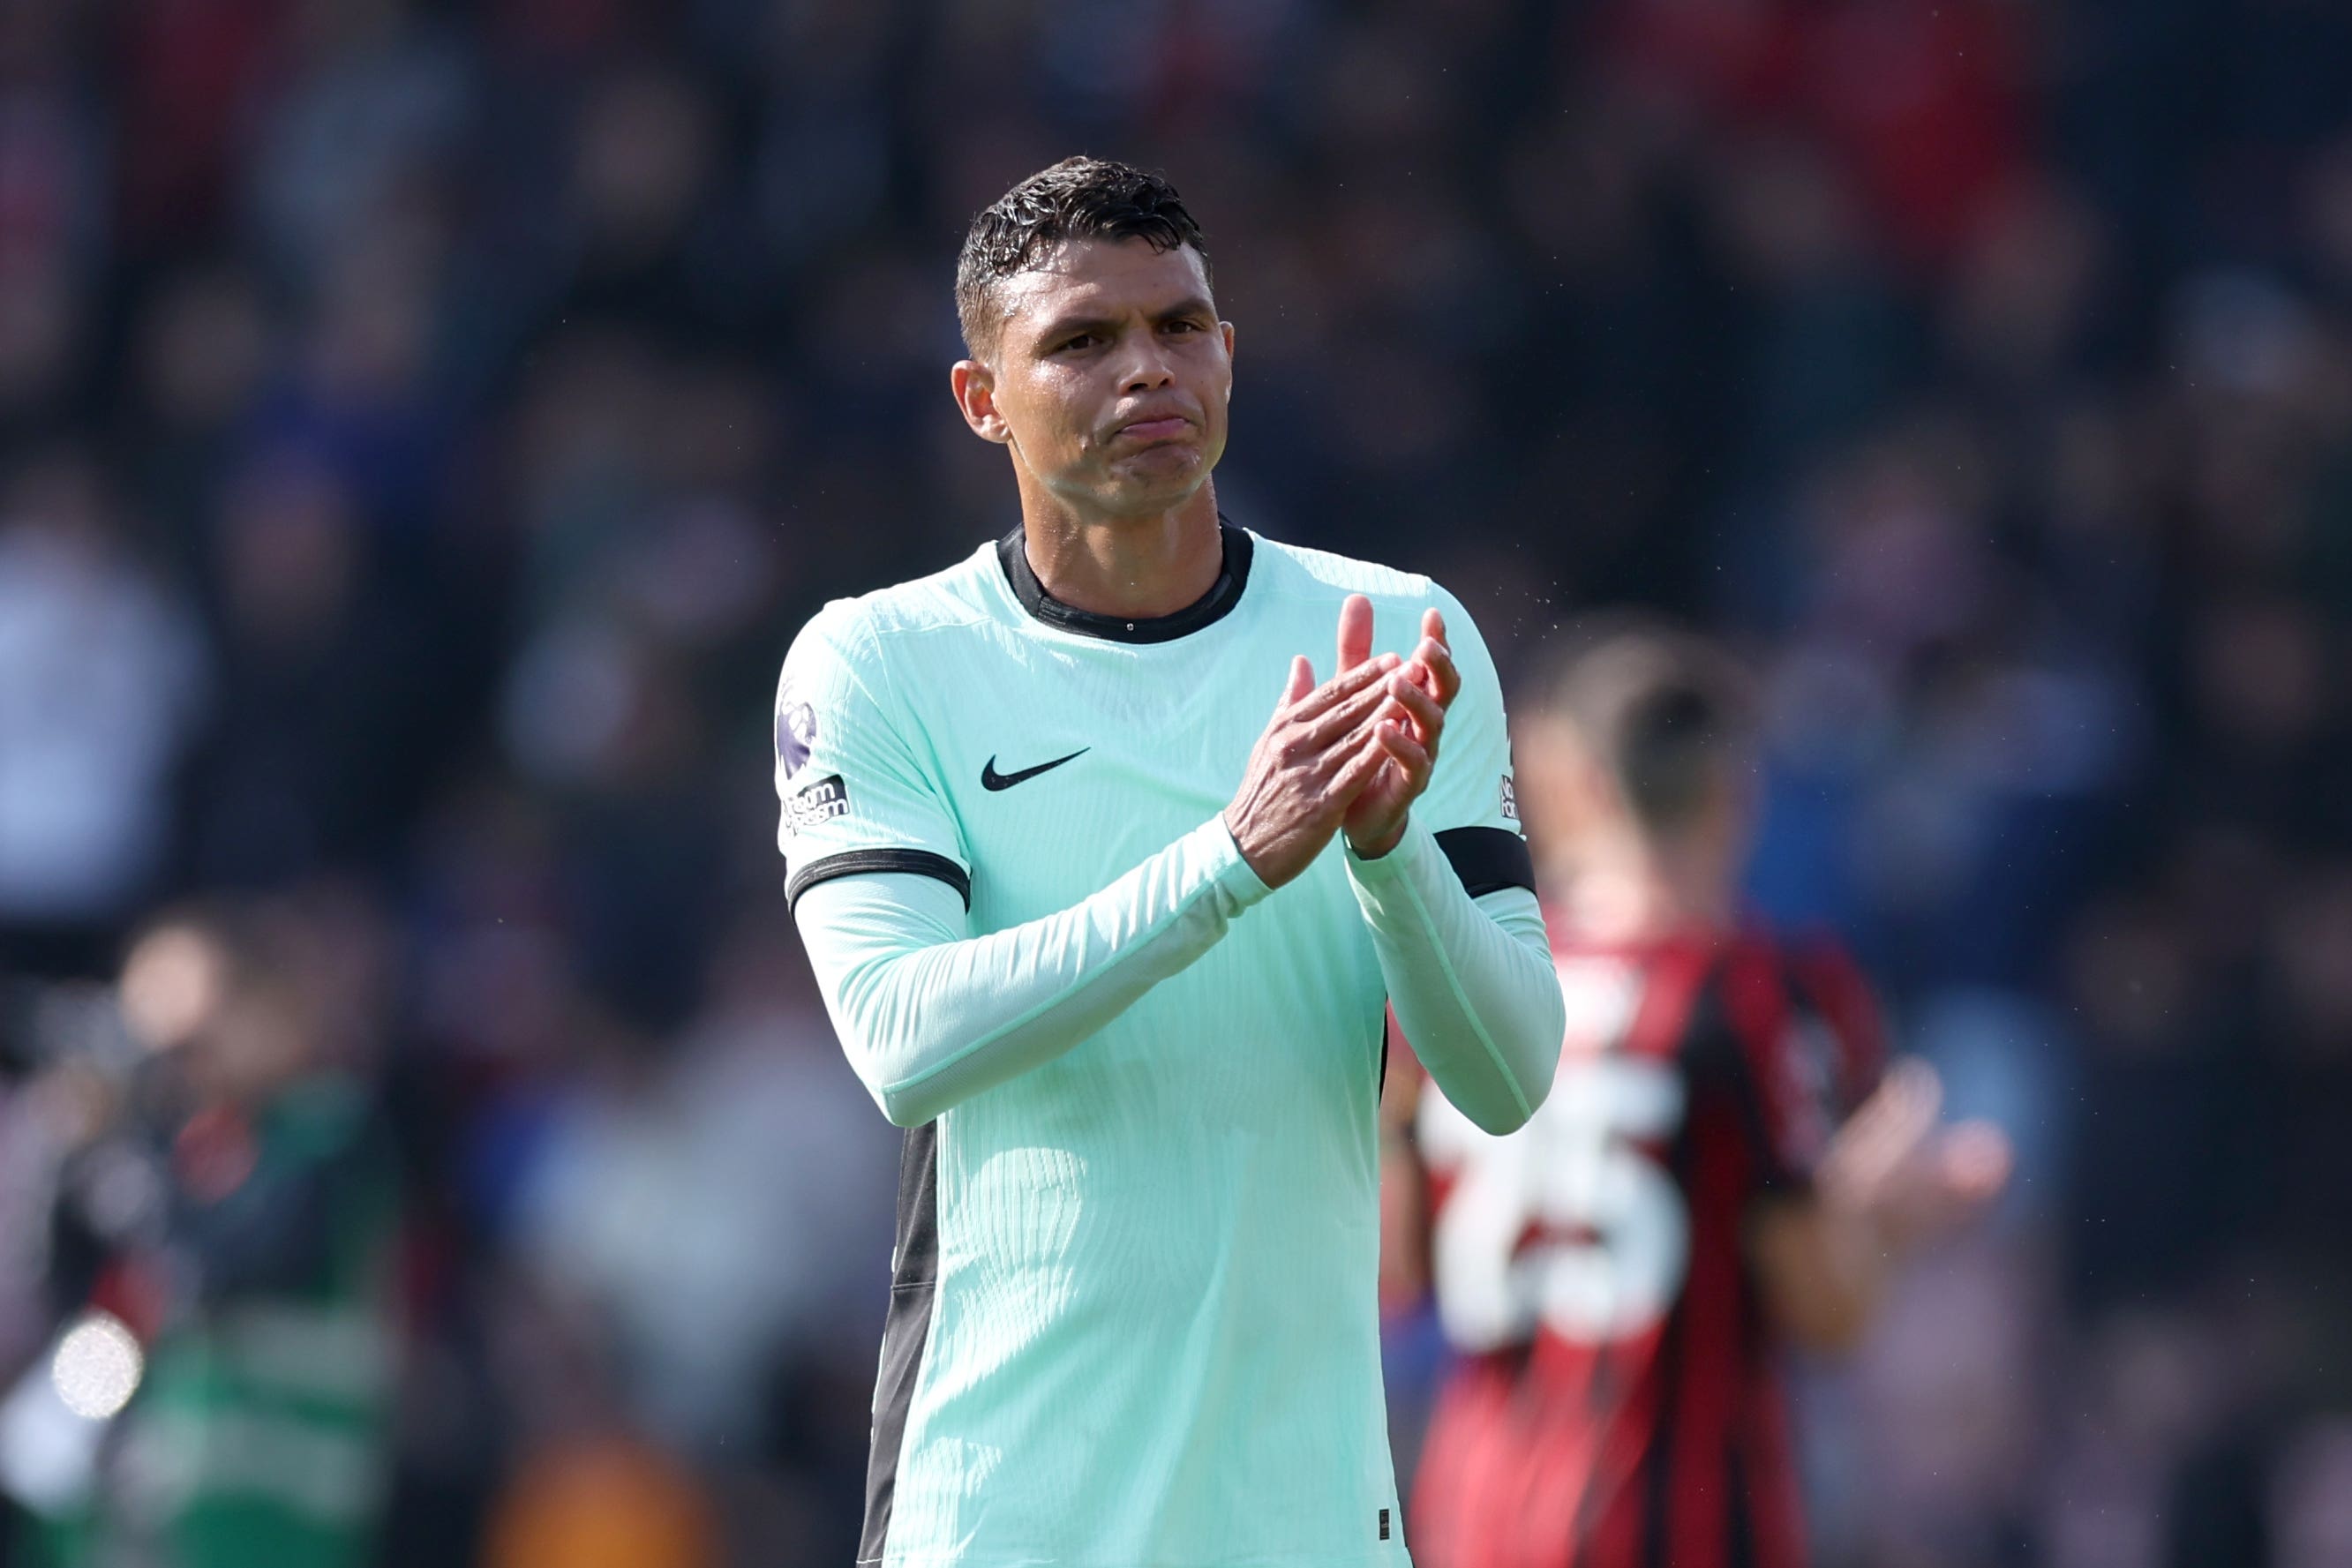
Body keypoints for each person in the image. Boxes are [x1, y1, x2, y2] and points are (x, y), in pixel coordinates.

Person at [774, 156, 1567, 1566]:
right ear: (982, 401)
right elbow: (901, 1040)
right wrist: (1231, 860)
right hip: (1006, 1509)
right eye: (1081, 341)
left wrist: (1385, 850)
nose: (1147, 370)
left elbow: (1508, 1079)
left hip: (1308, 1515)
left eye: (1178, 327)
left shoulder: (1390, 631)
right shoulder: (884, 658)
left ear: (1228, 353)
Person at [1392, 623, 2013, 1568]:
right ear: (1735, 790)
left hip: (1473, 1517)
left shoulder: (1462, 978)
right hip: (1678, 1520)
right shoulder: (1757, 993)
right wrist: (1877, 1216)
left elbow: (1392, 1276)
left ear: (1563, 785)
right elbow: (1825, 1308)